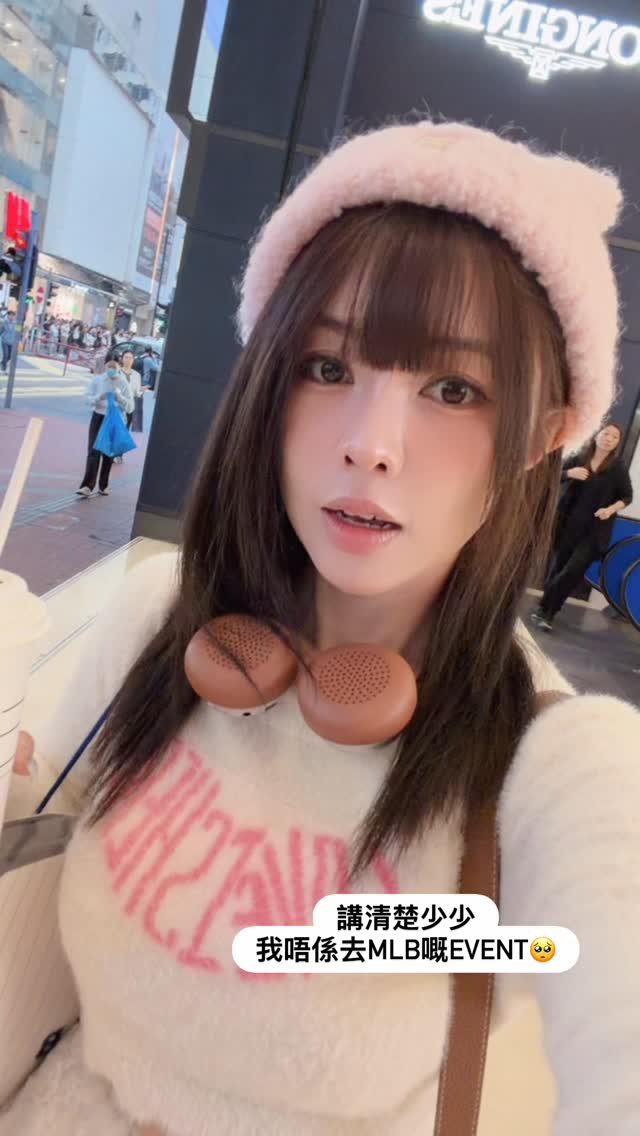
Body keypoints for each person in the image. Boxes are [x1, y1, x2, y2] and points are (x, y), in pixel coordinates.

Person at [7, 122, 640, 1135]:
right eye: (328, 367)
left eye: (453, 389)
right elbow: (48, 823)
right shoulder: (161, 619)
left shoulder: (543, 761)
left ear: (541, 433)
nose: (370, 446)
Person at [532, 422, 633, 630]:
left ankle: (547, 607)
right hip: (568, 524)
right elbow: (551, 476)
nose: (609, 439)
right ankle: (546, 611)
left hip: (595, 530)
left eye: (615, 437)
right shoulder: (579, 458)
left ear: (617, 443)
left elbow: (627, 496)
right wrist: (569, 474)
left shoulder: (618, 468)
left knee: (572, 570)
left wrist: (610, 510)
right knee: (559, 567)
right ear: (597, 435)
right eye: (606, 434)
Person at [76, 351, 134, 497]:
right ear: (105, 365)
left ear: (119, 366)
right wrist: (98, 397)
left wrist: (120, 398)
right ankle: (87, 486)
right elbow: (86, 398)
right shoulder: (98, 380)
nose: (112, 369)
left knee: (108, 453)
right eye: (109, 366)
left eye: (115, 366)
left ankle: (104, 485)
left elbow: (130, 407)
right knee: (93, 451)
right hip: (98, 417)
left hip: (114, 419)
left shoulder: (123, 383)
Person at [118, 347, 143, 430]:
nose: (128, 360)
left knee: (125, 430)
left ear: (133, 360)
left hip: (130, 407)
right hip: (117, 406)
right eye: (126, 357)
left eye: (130, 358)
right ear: (122, 359)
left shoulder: (137, 375)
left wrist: (141, 391)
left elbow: (137, 393)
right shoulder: (117, 372)